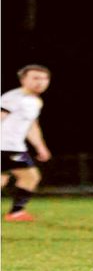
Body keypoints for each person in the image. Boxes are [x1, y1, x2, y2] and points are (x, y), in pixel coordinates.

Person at [1, 64, 52, 221]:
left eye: (44, 79)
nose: (40, 82)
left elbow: (31, 125)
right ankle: (16, 212)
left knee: (4, 178)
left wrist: (40, 147)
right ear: (23, 80)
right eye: (35, 78)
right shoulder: (13, 98)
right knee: (30, 176)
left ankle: (16, 212)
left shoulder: (35, 101)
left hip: (13, 146)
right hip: (6, 146)